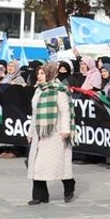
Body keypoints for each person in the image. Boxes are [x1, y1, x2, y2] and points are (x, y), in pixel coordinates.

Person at [27, 61, 75, 205]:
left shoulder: (59, 89)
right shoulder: (39, 89)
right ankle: (40, 196)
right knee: (37, 164)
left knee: (58, 164)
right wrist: (30, 132)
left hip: (55, 132)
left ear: (50, 74)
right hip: (40, 132)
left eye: (42, 73)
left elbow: (65, 111)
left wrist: (66, 129)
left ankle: (69, 184)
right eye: (38, 74)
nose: (39, 76)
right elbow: (35, 113)